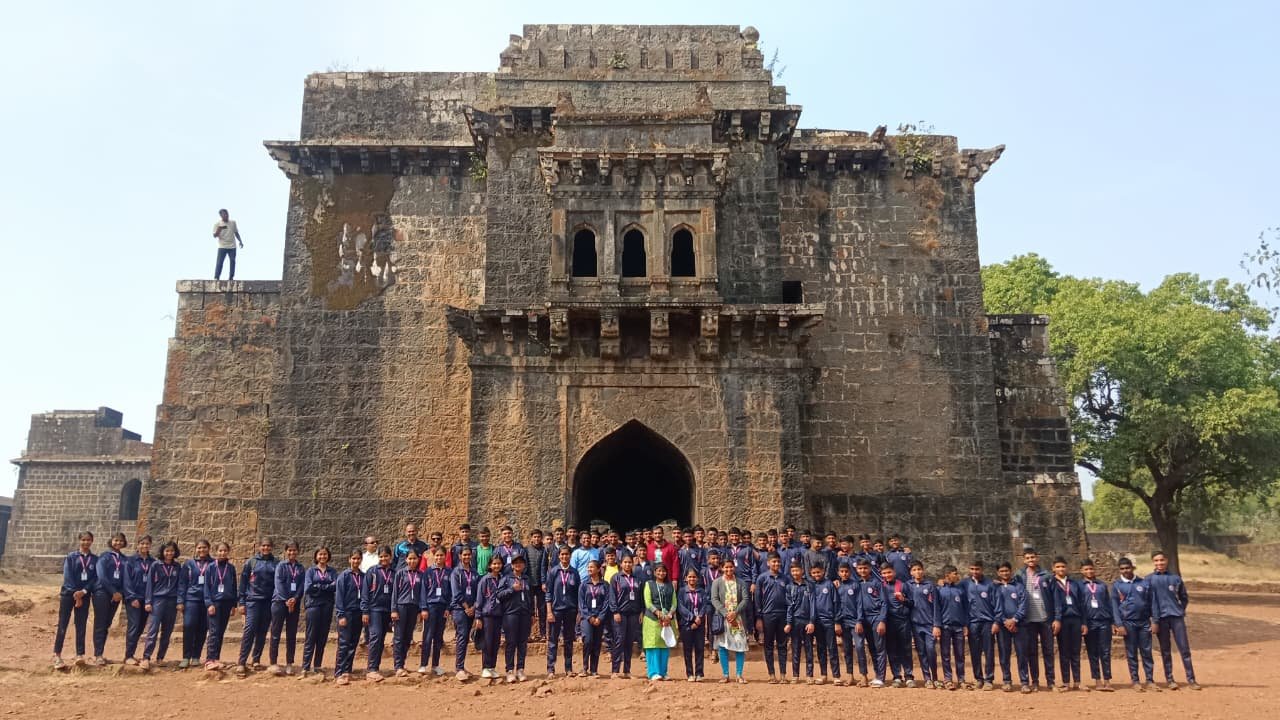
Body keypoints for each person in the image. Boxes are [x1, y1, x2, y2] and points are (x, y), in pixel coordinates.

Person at [1148, 550, 1200, 690]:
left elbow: (1184, 597)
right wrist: (1153, 619)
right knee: (1165, 650)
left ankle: (1191, 679)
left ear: (1166, 561)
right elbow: (1148, 601)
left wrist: (1180, 609)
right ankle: (1170, 679)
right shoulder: (1149, 580)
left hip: (1176, 618)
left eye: (1162, 560)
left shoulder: (1175, 578)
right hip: (1161, 619)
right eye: (1156, 561)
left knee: (1184, 649)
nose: (1159, 563)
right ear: (1153, 562)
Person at [1013, 548, 1057, 691]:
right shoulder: (1019, 575)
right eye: (1028, 558)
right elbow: (1012, 590)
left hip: (1045, 619)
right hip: (1028, 620)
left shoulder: (1046, 575)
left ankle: (1051, 681)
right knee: (1032, 652)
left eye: (1033, 557)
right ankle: (1035, 681)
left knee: (1048, 651)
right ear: (1024, 560)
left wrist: (1056, 618)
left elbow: (1055, 598)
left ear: (1037, 558)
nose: (1031, 560)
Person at [53, 531, 97, 669]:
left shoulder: (95, 559)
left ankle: (80, 655)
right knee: (63, 623)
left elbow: (94, 578)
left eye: (88, 540)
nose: (86, 542)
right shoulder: (71, 557)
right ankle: (57, 655)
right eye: (83, 539)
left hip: (84, 595)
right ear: (79, 541)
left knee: (81, 624)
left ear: (92, 541)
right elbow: (68, 576)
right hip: (68, 595)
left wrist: (83, 592)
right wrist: (75, 594)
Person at [1110, 557, 1155, 691]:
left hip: (1144, 622)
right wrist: (1119, 624)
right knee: (1131, 653)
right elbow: (1114, 606)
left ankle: (1150, 680)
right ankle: (1135, 681)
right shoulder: (1117, 586)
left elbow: (1152, 602)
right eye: (1122, 569)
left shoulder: (1143, 583)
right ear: (1119, 570)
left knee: (1146, 652)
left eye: (1127, 568)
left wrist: (1154, 620)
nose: (1125, 571)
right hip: (1128, 623)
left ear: (1132, 568)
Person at [235, 538, 277, 675]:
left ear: (272, 547)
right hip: (252, 601)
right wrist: (241, 602)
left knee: (262, 631)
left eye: (268, 546)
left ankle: (256, 659)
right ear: (259, 547)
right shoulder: (251, 562)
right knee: (249, 630)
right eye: (263, 545)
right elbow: (243, 583)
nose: (266, 548)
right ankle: (241, 662)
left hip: (268, 602)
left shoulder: (276, 563)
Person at [141, 540, 181, 669]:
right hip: (158, 600)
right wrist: (148, 601)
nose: (169, 553)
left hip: (172, 601)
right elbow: (150, 584)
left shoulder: (177, 566)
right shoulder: (155, 565)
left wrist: (179, 601)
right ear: (163, 552)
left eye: (172, 551)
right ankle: (146, 657)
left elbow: (180, 585)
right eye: (167, 551)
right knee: (152, 630)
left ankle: (160, 658)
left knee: (167, 631)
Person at [711, 554, 750, 684]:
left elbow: (745, 599)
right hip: (723, 619)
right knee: (723, 646)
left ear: (734, 567)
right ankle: (725, 674)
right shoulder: (717, 582)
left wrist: (735, 612)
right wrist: (725, 613)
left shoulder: (741, 582)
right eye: (726, 567)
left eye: (731, 567)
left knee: (740, 645)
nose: (729, 569)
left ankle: (739, 674)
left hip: (738, 620)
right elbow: (714, 599)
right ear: (722, 568)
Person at [91, 532, 128, 665]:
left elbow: (126, 578)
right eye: (116, 540)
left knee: (107, 623)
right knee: (100, 623)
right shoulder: (104, 556)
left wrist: (120, 593)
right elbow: (101, 576)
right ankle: (98, 655)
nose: (118, 543)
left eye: (121, 541)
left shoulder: (125, 559)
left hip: (116, 595)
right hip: (102, 592)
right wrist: (113, 592)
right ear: (111, 542)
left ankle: (100, 653)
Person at [962, 559, 999, 690]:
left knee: (989, 652)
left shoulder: (990, 584)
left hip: (987, 622)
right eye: (972, 569)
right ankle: (978, 678)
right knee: (975, 652)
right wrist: (941, 582)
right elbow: (952, 586)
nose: (974, 572)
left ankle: (989, 679)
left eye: (977, 569)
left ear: (982, 569)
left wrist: (996, 621)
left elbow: (996, 604)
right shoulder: (965, 583)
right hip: (972, 623)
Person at [269, 541, 305, 675]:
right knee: (276, 633)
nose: (292, 552)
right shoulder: (281, 566)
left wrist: (295, 598)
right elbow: (278, 584)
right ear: (285, 552)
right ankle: (273, 662)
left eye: (294, 550)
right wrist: (286, 600)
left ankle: (289, 663)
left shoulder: (300, 568)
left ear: (298, 551)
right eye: (289, 550)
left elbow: (302, 585)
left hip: (294, 604)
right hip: (279, 602)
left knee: (291, 634)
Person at [1078, 559, 1114, 691]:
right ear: (1081, 571)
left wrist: (1112, 622)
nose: (1089, 571)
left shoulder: (1102, 585)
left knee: (1105, 651)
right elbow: (1079, 606)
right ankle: (1097, 680)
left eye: (1091, 569)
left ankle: (1107, 680)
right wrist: (1083, 623)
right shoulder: (1079, 586)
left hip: (1104, 621)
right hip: (1089, 622)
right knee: (1093, 652)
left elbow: (1108, 604)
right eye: (1086, 569)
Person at [1050, 556, 1085, 691]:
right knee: (1064, 652)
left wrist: (1083, 622)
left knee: (1075, 651)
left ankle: (1077, 681)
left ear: (1067, 568)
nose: (1061, 569)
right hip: (1061, 620)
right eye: (1058, 567)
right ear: (1053, 568)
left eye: (1063, 566)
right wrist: (1055, 619)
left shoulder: (1074, 583)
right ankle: (1066, 682)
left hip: (1075, 619)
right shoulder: (1051, 582)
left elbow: (1081, 603)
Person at [361, 545, 395, 681]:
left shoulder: (394, 572)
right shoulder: (372, 571)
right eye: (381, 556)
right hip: (374, 609)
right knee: (375, 637)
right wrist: (365, 610)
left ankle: (376, 667)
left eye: (386, 556)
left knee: (381, 639)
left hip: (388, 610)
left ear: (390, 557)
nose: (383, 558)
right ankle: (372, 669)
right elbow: (365, 592)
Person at [301, 546, 337, 677]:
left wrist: (319, 587)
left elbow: (335, 586)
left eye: (325, 554)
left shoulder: (332, 571)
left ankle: (317, 666)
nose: (323, 556)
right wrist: (326, 587)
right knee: (311, 636)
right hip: (313, 606)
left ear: (328, 556)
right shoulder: (311, 571)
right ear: (316, 556)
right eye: (320, 554)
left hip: (327, 606)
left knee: (322, 637)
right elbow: (309, 588)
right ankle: (305, 667)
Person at [202, 541, 238, 670]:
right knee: (214, 631)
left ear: (228, 552)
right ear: (216, 552)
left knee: (221, 632)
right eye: (220, 551)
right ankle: (209, 660)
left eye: (225, 551)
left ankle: (216, 658)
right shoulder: (211, 567)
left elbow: (234, 586)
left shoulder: (231, 568)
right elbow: (206, 587)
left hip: (227, 603)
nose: (222, 553)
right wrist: (209, 604)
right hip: (214, 603)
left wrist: (234, 605)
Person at [755, 551, 789, 683]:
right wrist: (759, 617)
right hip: (767, 615)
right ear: (768, 563)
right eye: (774, 561)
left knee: (782, 645)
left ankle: (783, 674)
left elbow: (789, 598)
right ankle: (771, 674)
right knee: (768, 645)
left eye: (778, 561)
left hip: (782, 615)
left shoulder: (785, 578)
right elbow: (757, 598)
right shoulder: (762, 578)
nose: (776, 564)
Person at [390, 548, 425, 677]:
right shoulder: (400, 573)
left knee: (408, 637)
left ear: (418, 560)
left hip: (413, 608)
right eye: (410, 558)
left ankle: (402, 663)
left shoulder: (421, 575)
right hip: (401, 607)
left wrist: (421, 610)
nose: (412, 561)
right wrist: (394, 610)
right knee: (399, 637)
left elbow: (422, 594)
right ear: (406, 560)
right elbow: (395, 592)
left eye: (414, 558)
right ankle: (398, 666)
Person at [499, 554, 534, 682]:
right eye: (515, 563)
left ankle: (520, 669)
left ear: (524, 565)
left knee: (522, 643)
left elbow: (530, 597)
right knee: (511, 642)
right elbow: (499, 595)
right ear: (512, 565)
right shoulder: (506, 579)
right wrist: (512, 589)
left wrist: (531, 613)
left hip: (524, 614)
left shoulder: (527, 579)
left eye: (520, 562)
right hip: (510, 614)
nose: (518, 564)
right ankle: (509, 670)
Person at [546, 545, 578, 678]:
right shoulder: (553, 571)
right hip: (556, 610)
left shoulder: (574, 572)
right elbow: (548, 592)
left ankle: (568, 668)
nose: (565, 556)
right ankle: (551, 669)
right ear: (559, 556)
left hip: (570, 610)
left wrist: (578, 611)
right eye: (562, 554)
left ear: (570, 556)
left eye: (567, 554)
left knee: (569, 640)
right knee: (553, 640)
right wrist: (549, 611)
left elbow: (577, 593)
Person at [854, 557, 888, 687]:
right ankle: (876, 674)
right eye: (860, 568)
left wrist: (882, 620)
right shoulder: (857, 584)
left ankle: (881, 678)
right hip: (863, 619)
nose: (863, 570)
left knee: (880, 648)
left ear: (870, 569)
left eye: (865, 568)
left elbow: (884, 603)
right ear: (857, 569)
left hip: (876, 618)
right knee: (872, 648)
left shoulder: (877, 583)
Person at [179, 538, 213, 669]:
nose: (202, 550)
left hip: (207, 600)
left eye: (204, 547)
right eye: (199, 547)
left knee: (202, 628)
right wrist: (180, 600)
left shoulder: (213, 563)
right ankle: (185, 657)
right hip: (191, 599)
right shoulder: (189, 564)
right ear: (195, 549)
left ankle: (196, 656)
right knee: (188, 626)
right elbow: (182, 583)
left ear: (209, 549)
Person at [935, 564, 969, 690]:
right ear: (947, 575)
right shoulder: (939, 590)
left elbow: (965, 608)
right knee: (945, 654)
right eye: (955, 573)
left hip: (959, 626)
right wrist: (937, 625)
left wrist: (965, 625)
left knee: (960, 654)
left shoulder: (960, 590)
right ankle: (948, 679)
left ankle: (961, 679)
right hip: (945, 626)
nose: (957, 576)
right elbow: (936, 609)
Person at [609, 554, 643, 679]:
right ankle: (615, 670)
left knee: (629, 642)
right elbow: (612, 596)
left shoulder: (637, 579)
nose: (627, 564)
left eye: (629, 562)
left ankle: (627, 671)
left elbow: (640, 597)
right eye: (625, 562)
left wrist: (641, 611)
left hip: (634, 614)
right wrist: (615, 611)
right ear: (621, 563)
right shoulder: (616, 578)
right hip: (620, 614)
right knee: (619, 640)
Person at [333, 548, 364, 686]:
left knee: (353, 642)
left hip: (358, 613)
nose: (356, 561)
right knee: (344, 644)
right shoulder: (344, 576)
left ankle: (347, 670)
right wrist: (341, 615)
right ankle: (339, 672)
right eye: (353, 558)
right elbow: (339, 597)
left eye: (358, 558)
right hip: (346, 613)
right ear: (349, 559)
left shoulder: (363, 576)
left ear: (361, 560)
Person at [122, 535, 155, 665]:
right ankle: (128, 656)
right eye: (142, 543)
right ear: (138, 545)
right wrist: (131, 597)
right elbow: (126, 581)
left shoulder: (153, 562)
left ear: (150, 545)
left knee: (140, 627)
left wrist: (150, 600)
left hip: (146, 600)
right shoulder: (130, 561)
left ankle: (132, 654)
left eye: (147, 544)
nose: (144, 546)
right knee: (134, 626)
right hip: (134, 600)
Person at [641, 562, 677, 681]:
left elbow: (674, 602)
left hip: (667, 620)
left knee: (664, 645)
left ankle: (663, 672)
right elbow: (648, 602)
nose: (661, 573)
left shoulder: (670, 585)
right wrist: (658, 613)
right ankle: (653, 673)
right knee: (653, 645)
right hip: (652, 619)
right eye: (659, 571)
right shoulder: (649, 584)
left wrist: (670, 614)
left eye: (663, 571)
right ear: (654, 572)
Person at [906, 559, 938, 689]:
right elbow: (907, 603)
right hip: (915, 624)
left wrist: (936, 625)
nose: (917, 572)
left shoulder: (930, 585)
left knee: (931, 650)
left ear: (923, 570)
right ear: (910, 572)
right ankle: (927, 678)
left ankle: (935, 677)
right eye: (914, 570)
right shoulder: (908, 585)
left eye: (919, 569)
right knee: (921, 652)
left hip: (929, 624)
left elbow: (936, 606)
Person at [993, 561, 1026, 692]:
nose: (1004, 573)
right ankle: (1007, 681)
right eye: (1001, 571)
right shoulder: (995, 587)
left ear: (1011, 571)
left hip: (1019, 625)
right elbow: (995, 606)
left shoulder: (1019, 586)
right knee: (1004, 654)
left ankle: (1024, 682)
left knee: (1021, 654)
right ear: (998, 573)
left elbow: (1023, 605)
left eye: (1006, 570)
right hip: (1003, 626)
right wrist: (1004, 621)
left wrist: (1014, 619)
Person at [881, 563, 915, 687]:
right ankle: (896, 676)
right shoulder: (881, 586)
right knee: (892, 649)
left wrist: (903, 600)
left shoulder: (903, 585)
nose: (887, 575)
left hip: (903, 621)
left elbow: (912, 603)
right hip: (888, 622)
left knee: (905, 648)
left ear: (894, 572)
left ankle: (909, 676)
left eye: (889, 572)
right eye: (884, 573)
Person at [418, 547, 450, 676]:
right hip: (430, 606)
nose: (439, 558)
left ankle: (435, 665)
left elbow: (451, 592)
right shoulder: (428, 572)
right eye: (437, 555)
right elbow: (423, 591)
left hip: (442, 607)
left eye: (441, 555)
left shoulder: (449, 572)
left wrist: (448, 608)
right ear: (433, 556)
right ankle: (423, 664)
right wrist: (424, 608)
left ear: (445, 556)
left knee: (438, 637)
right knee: (428, 636)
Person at [449, 546, 480, 680]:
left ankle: (461, 666)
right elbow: (456, 593)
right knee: (462, 636)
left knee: (466, 638)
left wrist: (474, 607)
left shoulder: (475, 573)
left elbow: (479, 592)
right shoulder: (456, 572)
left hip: (471, 609)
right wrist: (467, 607)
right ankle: (459, 669)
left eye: (469, 554)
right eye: (464, 555)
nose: (467, 557)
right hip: (459, 609)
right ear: (460, 556)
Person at [808, 561, 839, 685]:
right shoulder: (811, 586)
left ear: (823, 572)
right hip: (817, 622)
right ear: (811, 574)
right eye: (814, 573)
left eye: (818, 572)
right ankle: (823, 675)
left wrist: (836, 621)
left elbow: (836, 602)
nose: (816, 574)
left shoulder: (829, 584)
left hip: (829, 621)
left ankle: (836, 676)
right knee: (821, 649)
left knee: (832, 648)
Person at [834, 560, 863, 686]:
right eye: (842, 571)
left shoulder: (856, 585)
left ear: (850, 572)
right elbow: (835, 605)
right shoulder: (836, 586)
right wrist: (837, 622)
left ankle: (864, 675)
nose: (844, 573)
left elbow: (860, 604)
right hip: (843, 622)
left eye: (846, 571)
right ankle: (850, 675)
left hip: (855, 621)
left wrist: (859, 621)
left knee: (860, 647)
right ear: (838, 573)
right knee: (847, 649)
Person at [476, 554, 505, 681]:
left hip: (499, 615)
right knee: (487, 642)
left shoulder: (502, 579)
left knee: (495, 642)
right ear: (489, 565)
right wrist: (478, 617)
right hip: (487, 615)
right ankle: (485, 668)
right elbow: (479, 599)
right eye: (494, 564)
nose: (496, 566)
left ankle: (492, 667)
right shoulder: (485, 580)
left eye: (499, 563)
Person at [677, 567, 708, 681]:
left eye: (694, 577)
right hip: (686, 624)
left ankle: (699, 673)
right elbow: (681, 607)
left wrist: (699, 617)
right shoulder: (682, 591)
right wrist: (693, 618)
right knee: (687, 650)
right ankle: (690, 674)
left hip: (700, 624)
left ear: (698, 578)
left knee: (700, 648)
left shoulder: (702, 591)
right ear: (685, 578)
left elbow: (704, 606)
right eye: (690, 577)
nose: (692, 579)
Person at [784, 560, 812, 684]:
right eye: (793, 571)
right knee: (795, 649)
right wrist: (789, 623)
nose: (795, 573)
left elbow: (813, 604)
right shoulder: (789, 587)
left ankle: (809, 675)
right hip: (795, 621)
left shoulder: (809, 586)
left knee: (809, 649)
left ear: (802, 571)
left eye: (797, 570)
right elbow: (789, 606)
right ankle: (795, 675)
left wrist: (811, 621)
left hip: (807, 622)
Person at [526, 529, 547, 641]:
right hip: (529, 584)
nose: (537, 539)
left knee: (542, 609)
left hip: (540, 584)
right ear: (531, 538)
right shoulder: (526, 550)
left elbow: (544, 567)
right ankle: (529, 634)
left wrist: (544, 582)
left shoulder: (544, 550)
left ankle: (543, 634)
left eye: (538, 537)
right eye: (535, 536)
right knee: (529, 610)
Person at [213, 208, 243, 280]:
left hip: (232, 246)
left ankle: (231, 277)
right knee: (220, 262)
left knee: (232, 261)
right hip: (222, 246)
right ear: (221, 216)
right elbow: (214, 235)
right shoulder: (217, 224)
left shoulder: (233, 222)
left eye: (227, 214)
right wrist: (219, 229)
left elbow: (236, 233)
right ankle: (216, 277)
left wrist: (240, 241)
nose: (226, 216)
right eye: (224, 215)